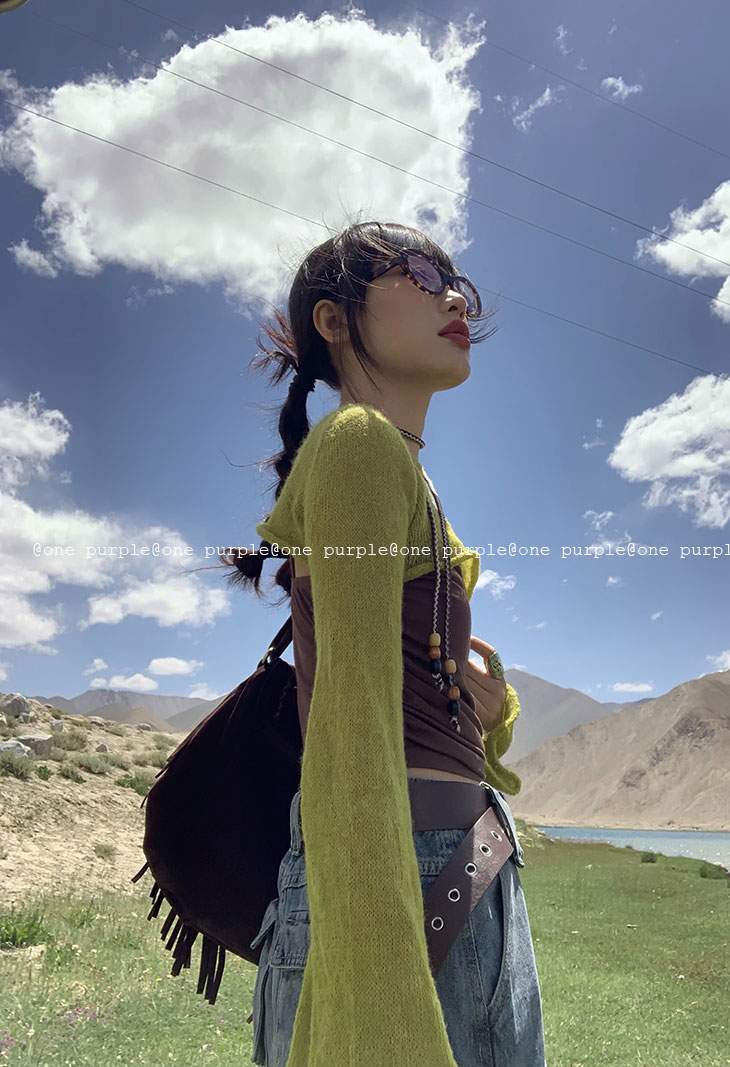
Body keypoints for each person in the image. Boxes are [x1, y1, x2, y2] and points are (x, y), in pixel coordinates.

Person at [221, 217, 546, 1067]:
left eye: (457, 282)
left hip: (460, 866)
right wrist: (378, 1000)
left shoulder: (405, 472)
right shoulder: (358, 445)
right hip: (396, 879)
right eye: (419, 275)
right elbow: (350, 722)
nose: (453, 298)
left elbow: (405, 696)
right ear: (334, 320)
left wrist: (490, 710)